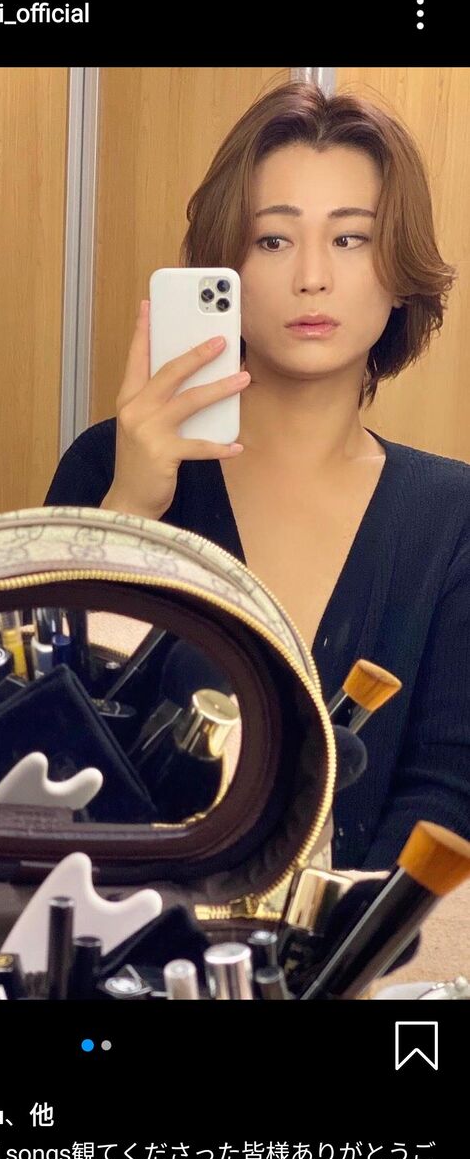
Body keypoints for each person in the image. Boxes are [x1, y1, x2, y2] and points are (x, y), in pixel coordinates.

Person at [44, 79, 470, 871]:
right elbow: (47, 741)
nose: (312, 276)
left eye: (351, 238)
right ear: (226, 266)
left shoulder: (453, 517)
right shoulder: (107, 465)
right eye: (273, 240)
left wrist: (332, 937)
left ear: (398, 267)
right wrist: (130, 510)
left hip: (360, 944)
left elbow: (447, 791)